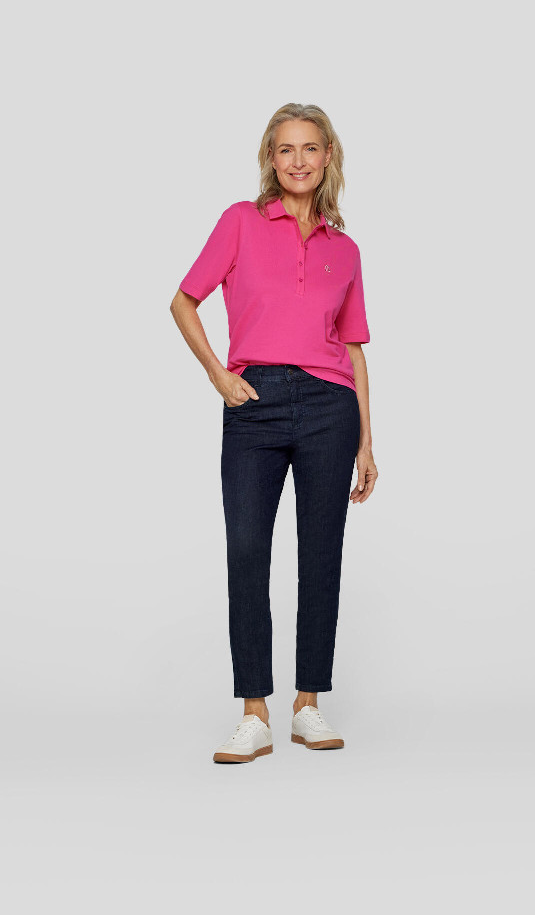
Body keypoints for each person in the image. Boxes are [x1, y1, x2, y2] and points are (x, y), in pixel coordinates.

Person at [170, 103, 378, 764]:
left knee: (321, 556)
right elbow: (183, 300)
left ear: (327, 157)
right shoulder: (240, 221)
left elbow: (353, 347)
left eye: (309, 148)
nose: (298, 160)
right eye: (285, 149)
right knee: (246, 550)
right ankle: (254, 713)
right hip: (253, 401)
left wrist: (367, 440)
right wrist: (219, 376)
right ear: (270, 158)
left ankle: (307, 704)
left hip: (329, 408)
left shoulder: (345, 250)